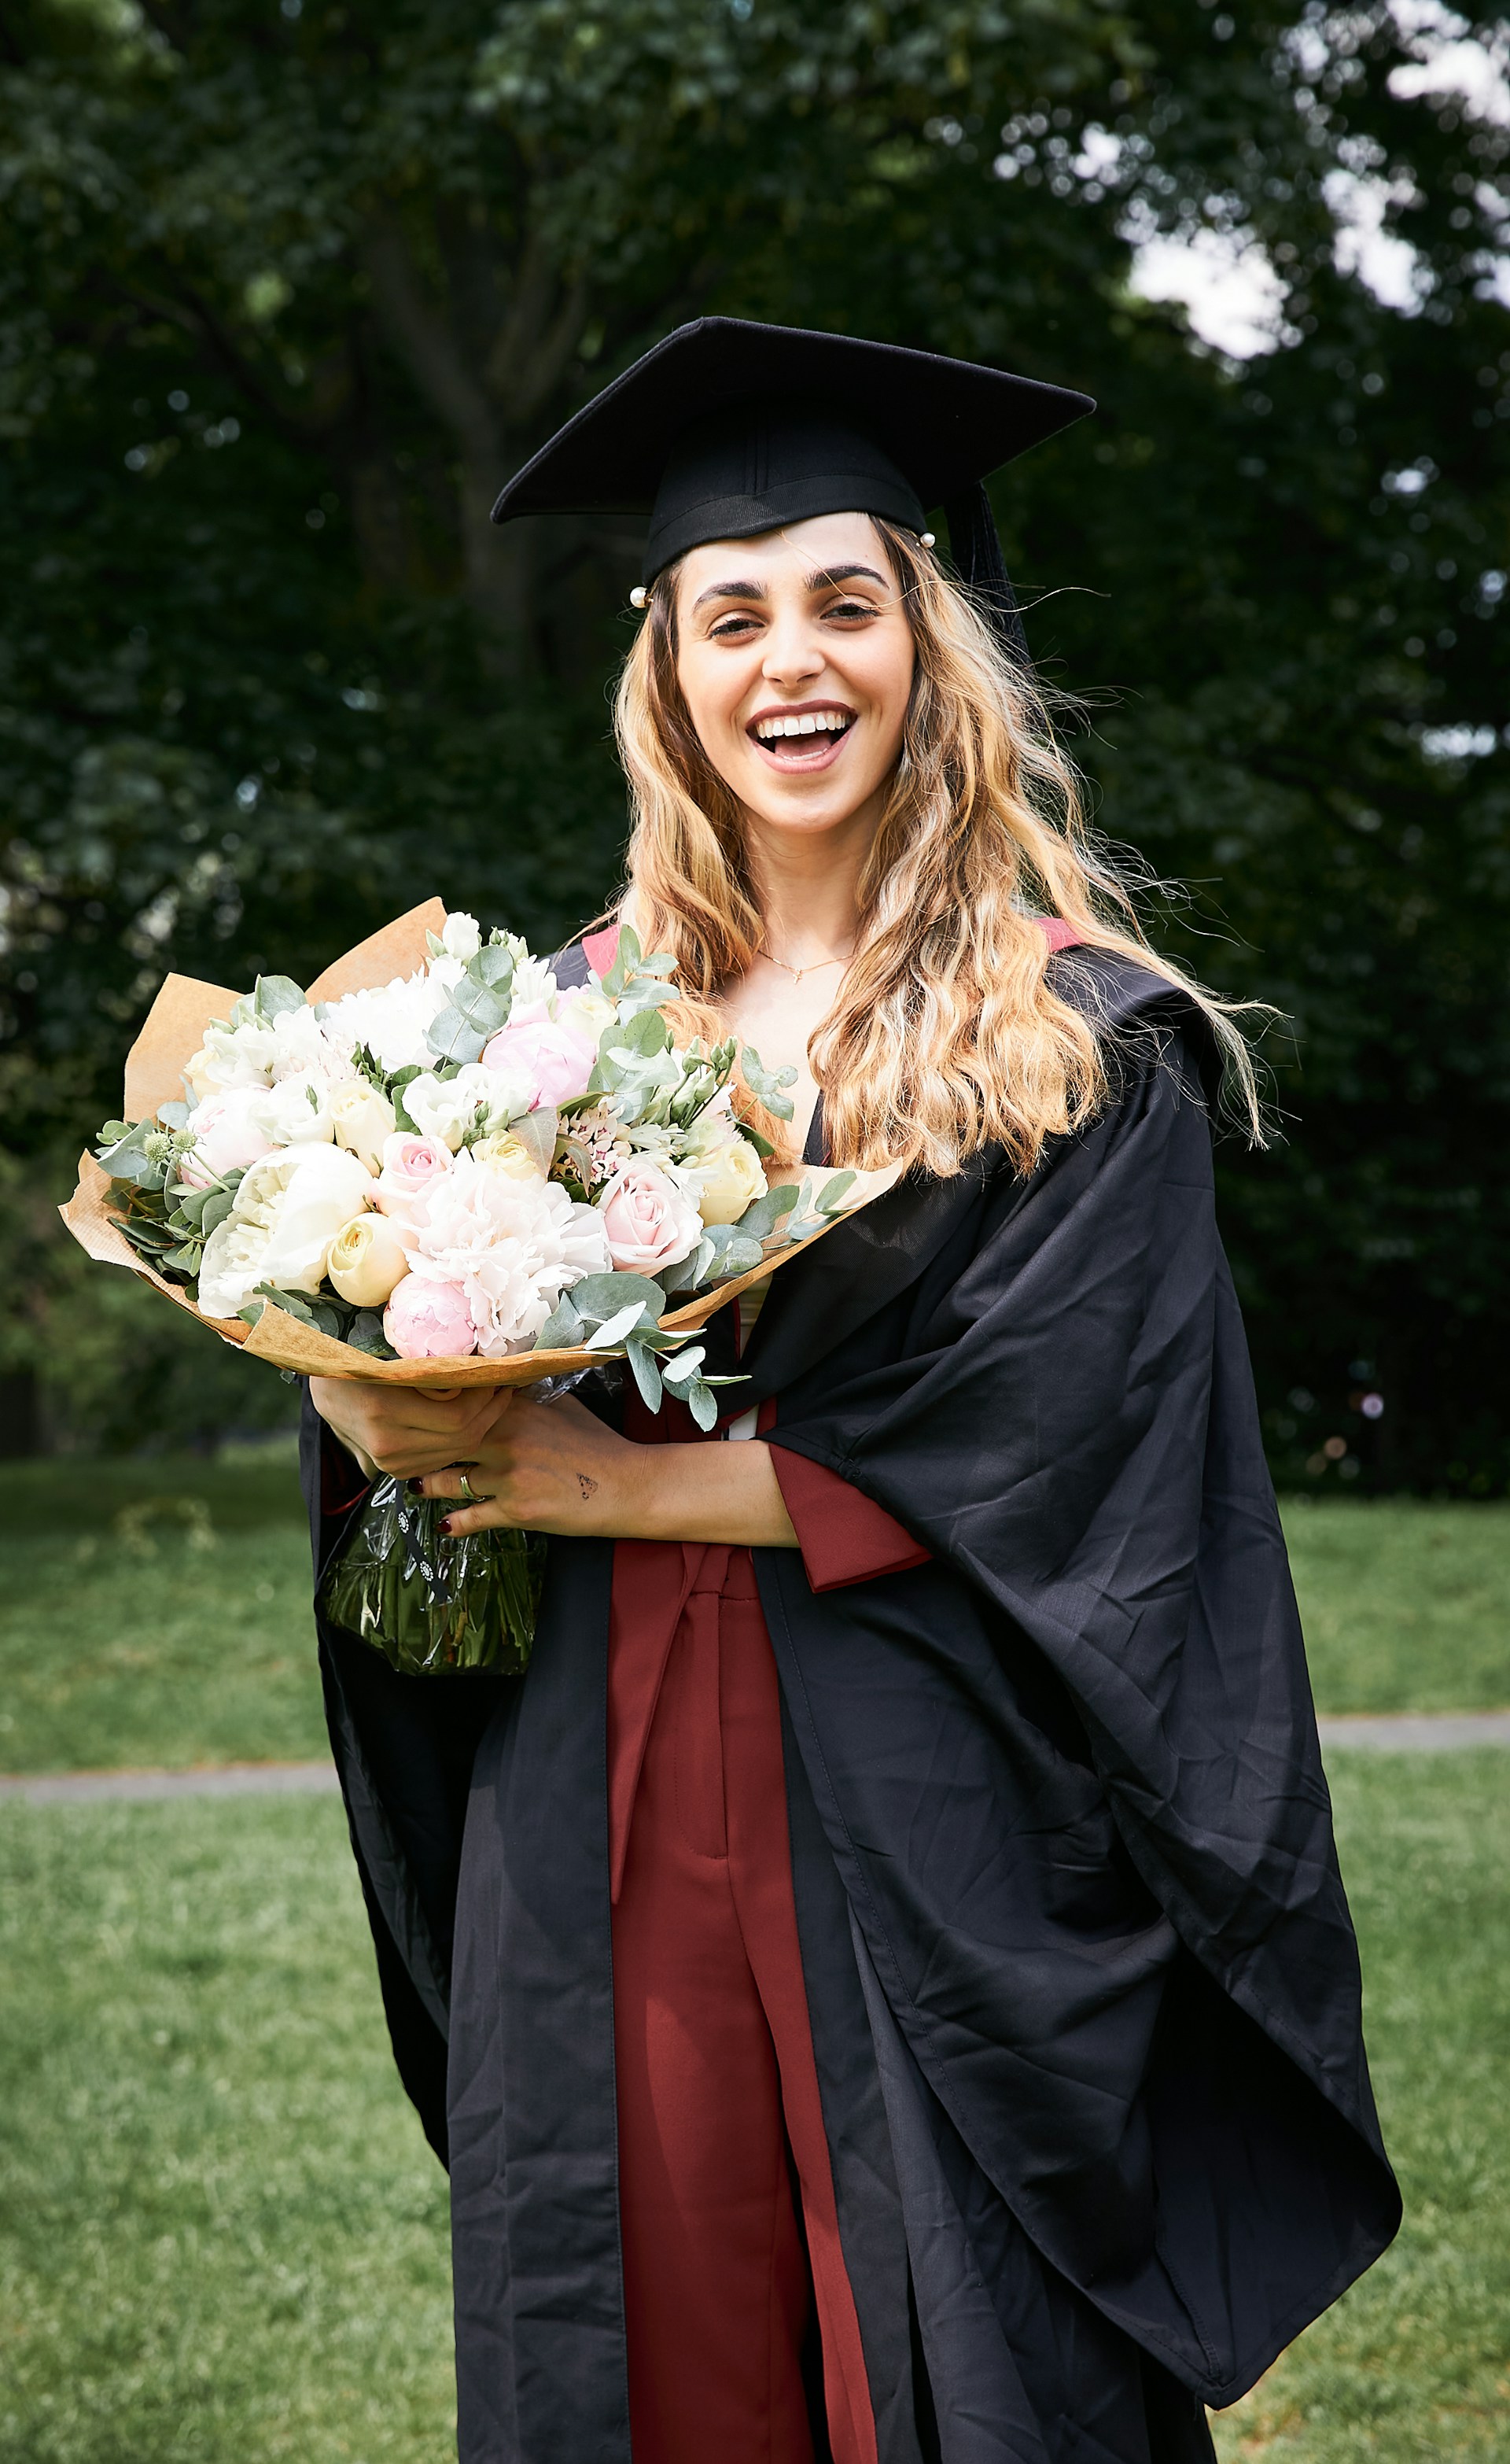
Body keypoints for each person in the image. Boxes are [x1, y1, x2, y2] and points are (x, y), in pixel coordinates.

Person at [301, 319, 1399, 2464]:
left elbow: (1066, 1456)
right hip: (586, 1784)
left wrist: (604, 1488)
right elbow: (394, 1350)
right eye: (734, 614)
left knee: (958, 2340)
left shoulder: (1073, 1036)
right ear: (669, 668)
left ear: (930, 639)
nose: (791, 663)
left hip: (924, 1785)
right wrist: (373, 1389)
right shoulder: (546, 1027)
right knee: (639, 2317)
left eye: (844, 601)